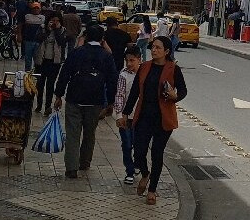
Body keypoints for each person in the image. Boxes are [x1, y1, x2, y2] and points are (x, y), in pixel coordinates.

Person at [124, 36, 187, 204]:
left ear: (166, 51)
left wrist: (176, 96)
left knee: (157, 154)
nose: (154, 50)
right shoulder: (144, 67)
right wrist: (126, 112)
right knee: (138, 151)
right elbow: (135, 92)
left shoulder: (174, 69)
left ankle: (152, 190)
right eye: (153, 47)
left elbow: (183, 90)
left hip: (163, 118)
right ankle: (145, 174)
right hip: (144, 116)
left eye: (158, 48)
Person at [53, 24, 118, 178]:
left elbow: (64, 74)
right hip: (95, 100)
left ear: (86, 37)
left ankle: (71, 168)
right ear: (102, 39)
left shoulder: (77, 53)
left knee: (73, 134)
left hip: (74, 98)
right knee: (90, 133)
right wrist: (110, 102)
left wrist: (58, 95)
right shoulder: (106, 56)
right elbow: (112, 80)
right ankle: (85, 162)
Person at [113, 45, 141, 184]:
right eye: (127, 60)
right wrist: (119, 115)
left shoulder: (145, 73)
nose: (129, 64)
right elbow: (119, 95)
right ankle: (129, 171)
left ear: (139, 59)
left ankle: (137, 164)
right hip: (126, 117)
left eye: (132, 60)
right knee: (127, 144)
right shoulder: (123, 74)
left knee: (139, 143)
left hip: (141, 117)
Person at [34, 14, 67, 115]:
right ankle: (39, 104)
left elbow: (62, 42)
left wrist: (56, 30)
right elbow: (38, 39)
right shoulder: (43, 28)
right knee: (40, 84)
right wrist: (48, 30)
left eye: (57, 21)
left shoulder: (62, 30)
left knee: (50, 84)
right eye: (53, 20)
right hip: (42, 60)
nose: (55, 22)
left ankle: (48, 106)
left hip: (54, 62)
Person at [19, 1, 45, 72]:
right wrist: (19, 35)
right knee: (28, 59)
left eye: (37, 8)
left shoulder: (43, 17)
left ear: (40, 9)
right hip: (28, 40)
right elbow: (21, 25)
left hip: (39, 42)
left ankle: (36, 74)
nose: (36, 9)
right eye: (34, 8)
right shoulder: (27, 16)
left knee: (37, 59)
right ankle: (27, 74)